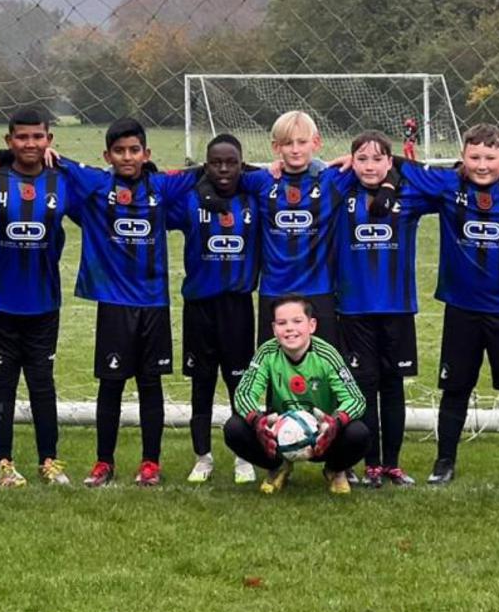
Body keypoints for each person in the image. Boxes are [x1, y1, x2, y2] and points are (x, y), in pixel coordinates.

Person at [399, 124, 499, 490]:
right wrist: (355, 157)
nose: (482, 164)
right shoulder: (447, 185)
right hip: (462, 308)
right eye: (474, 157)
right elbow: (395, 165)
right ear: (463, 155)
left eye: (491, 157)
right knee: (455, 389)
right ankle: (444, 462)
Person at [55, 118, 197, 488]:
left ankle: (151, 462)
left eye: (135, 150)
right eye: (119, 151)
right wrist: (0, 154)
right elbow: (51, 158)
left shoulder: (162, 187)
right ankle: (104, 461)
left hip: (154, 304)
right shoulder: (98, 187)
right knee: (111, 385)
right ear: (107, 155)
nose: (127, 156)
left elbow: (210, 169)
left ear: (147, 154)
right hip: (114, 305)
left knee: (151, 384)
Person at [334, 131, 438, 487]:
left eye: (378, 159)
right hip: (353, 308)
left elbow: (438, 182)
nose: (369, 166)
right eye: (361, 159)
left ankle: (392, 463)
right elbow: (313, 174)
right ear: (352, 162)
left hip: (397, 307)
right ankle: (370, 463)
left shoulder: (407, 195)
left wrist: (399, 173)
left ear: (389, 162)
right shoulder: (341, 193)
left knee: (393, 385)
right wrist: (343, 166)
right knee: (364, 386)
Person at [0, 109, 73, 488]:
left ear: (49, 139)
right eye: (22, 138)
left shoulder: (63, 179)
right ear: (8, 141)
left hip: (44, 301)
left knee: (42, 382)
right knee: (2, 383)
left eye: (37, 137)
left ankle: (48, 461)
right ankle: (3, 463)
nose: (30, 144)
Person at [164, 134, 263, 485]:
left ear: (242, 164)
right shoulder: (192, 201)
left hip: (237, 308)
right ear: (206, 165)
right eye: (215, 162)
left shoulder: (255, 199)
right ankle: (202, 456)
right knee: (202, 384)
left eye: (231, 162)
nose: (223, 168)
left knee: (241, 386)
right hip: (199, 308)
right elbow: (160, 194)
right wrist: (196, 178)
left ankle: (243, 457)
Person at [223, 295, 370, 495]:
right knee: (234, 428)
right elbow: (243, 394)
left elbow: (356, 399)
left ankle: (335, 469)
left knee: (359, 433)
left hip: (322, 436)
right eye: (282, 323)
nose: (290, 328)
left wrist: (335, 422)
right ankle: (277, 466)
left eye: (297, 321)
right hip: (278, 437)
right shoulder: (266, 353)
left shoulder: (327, 354)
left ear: (312, 325)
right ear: (274, 329)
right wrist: (257, 420)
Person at [239, 110, 347, 345]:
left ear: (316, 143)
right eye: (288, 143)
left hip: (319, 289)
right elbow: (224, 170)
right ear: (276, 147)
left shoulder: (332, 179)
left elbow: (376, 163)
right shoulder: (262, 180)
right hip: (275, 290)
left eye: (302, 142)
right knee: (275, 369)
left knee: (323, 368)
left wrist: (344, 159)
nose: (295, 149)